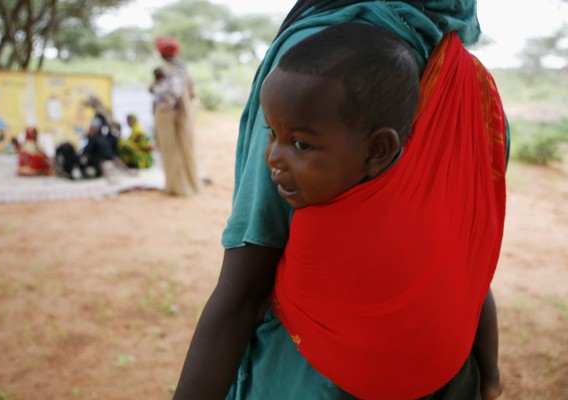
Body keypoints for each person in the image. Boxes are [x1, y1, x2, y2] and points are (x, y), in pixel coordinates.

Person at [173, 2, 506, 400]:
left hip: (310, 381)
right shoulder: (475, 88)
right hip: (448, 377)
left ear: (378, 150)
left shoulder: (326, 56)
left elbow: (242, 288)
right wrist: (489, 376)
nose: (273, 157)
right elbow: (474, 270)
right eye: (270, 134)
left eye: (299, 143)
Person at [152, 36, 200, 197]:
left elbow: (154, 91)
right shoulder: (185, 69)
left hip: (165, 114)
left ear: (161, 53)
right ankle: (191, 185)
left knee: (170, 149)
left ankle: (176, 187)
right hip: (184, 113)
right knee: (185, 147)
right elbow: (192, 94)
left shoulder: (161, 70)